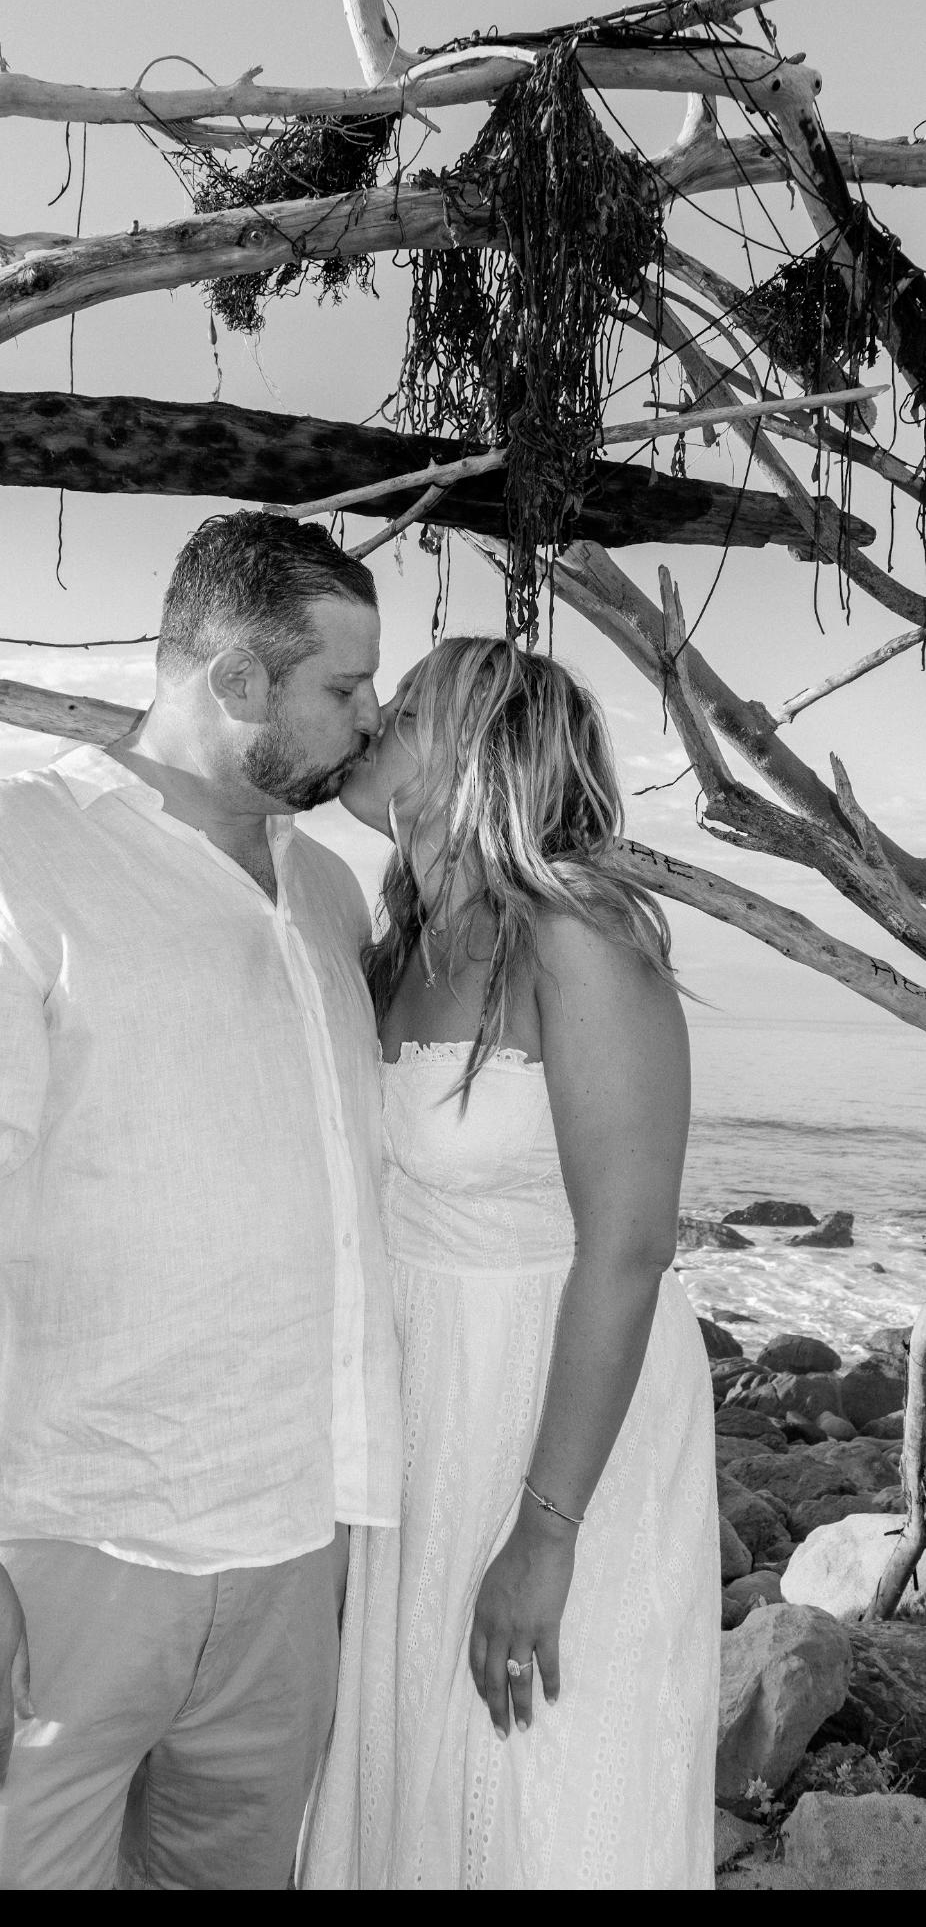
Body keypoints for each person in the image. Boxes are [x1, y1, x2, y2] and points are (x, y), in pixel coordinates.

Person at [0, 511, 402, 1891]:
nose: (372, 717)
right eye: (344, 686)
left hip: (293, 1542)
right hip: (70, 1545)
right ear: (236, 679)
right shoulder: (22, 852)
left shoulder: (329, 891)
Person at [299, 636, 720, 1891]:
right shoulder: (394, 947)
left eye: (404, 708)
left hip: (561, 1418)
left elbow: (629, 1247)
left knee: (545, 1789)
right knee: (412, 1780)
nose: (370, 719)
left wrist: (544, 1533)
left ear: (477, 753)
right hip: (424, 1407)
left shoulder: (576, 938)